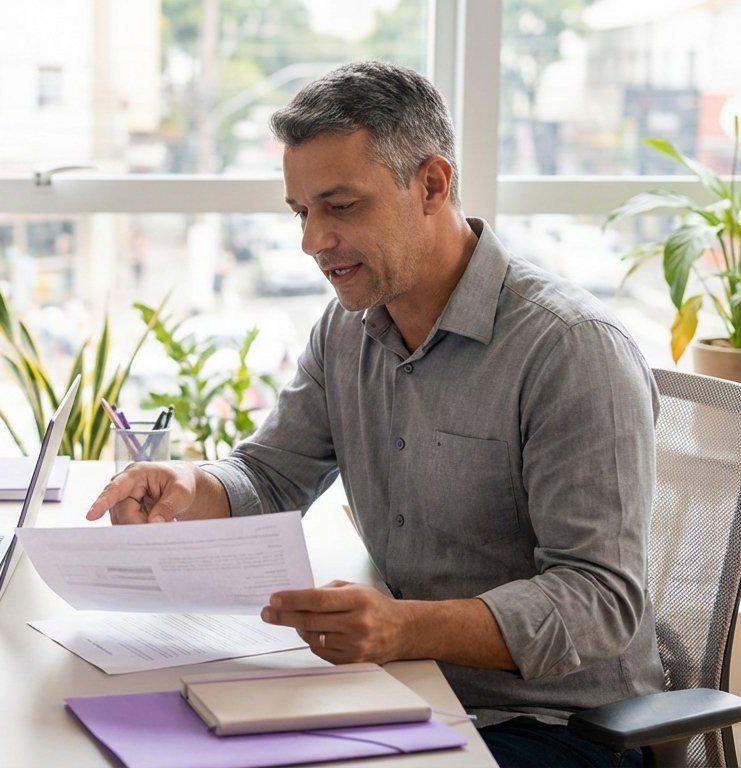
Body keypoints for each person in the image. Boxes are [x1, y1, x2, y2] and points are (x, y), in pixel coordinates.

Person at [87, 61, 663, 768]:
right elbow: (270, 475)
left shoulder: (569, 350)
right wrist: (189, 487)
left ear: (431, 185)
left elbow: (598, 598)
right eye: (302, 212)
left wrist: (401, 630)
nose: (312, 241)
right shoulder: (346, 330)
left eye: (341, 206)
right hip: (403, 694)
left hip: (554, 727)